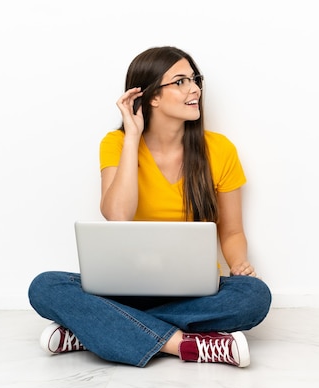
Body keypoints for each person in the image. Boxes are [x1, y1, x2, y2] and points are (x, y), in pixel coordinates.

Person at [28, 46, 272, 368]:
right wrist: (132, 137)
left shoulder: (220, 149)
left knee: (254, 295)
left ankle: (91, 329)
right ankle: (187, 346)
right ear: (152, 97)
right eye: (181, 81)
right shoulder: (115, 143)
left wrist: (239, 263)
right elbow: (117, 214)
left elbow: (232, 230)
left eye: (195, 79)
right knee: (45, 286)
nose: (195, 89)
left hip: (195, 292)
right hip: (125, 289)